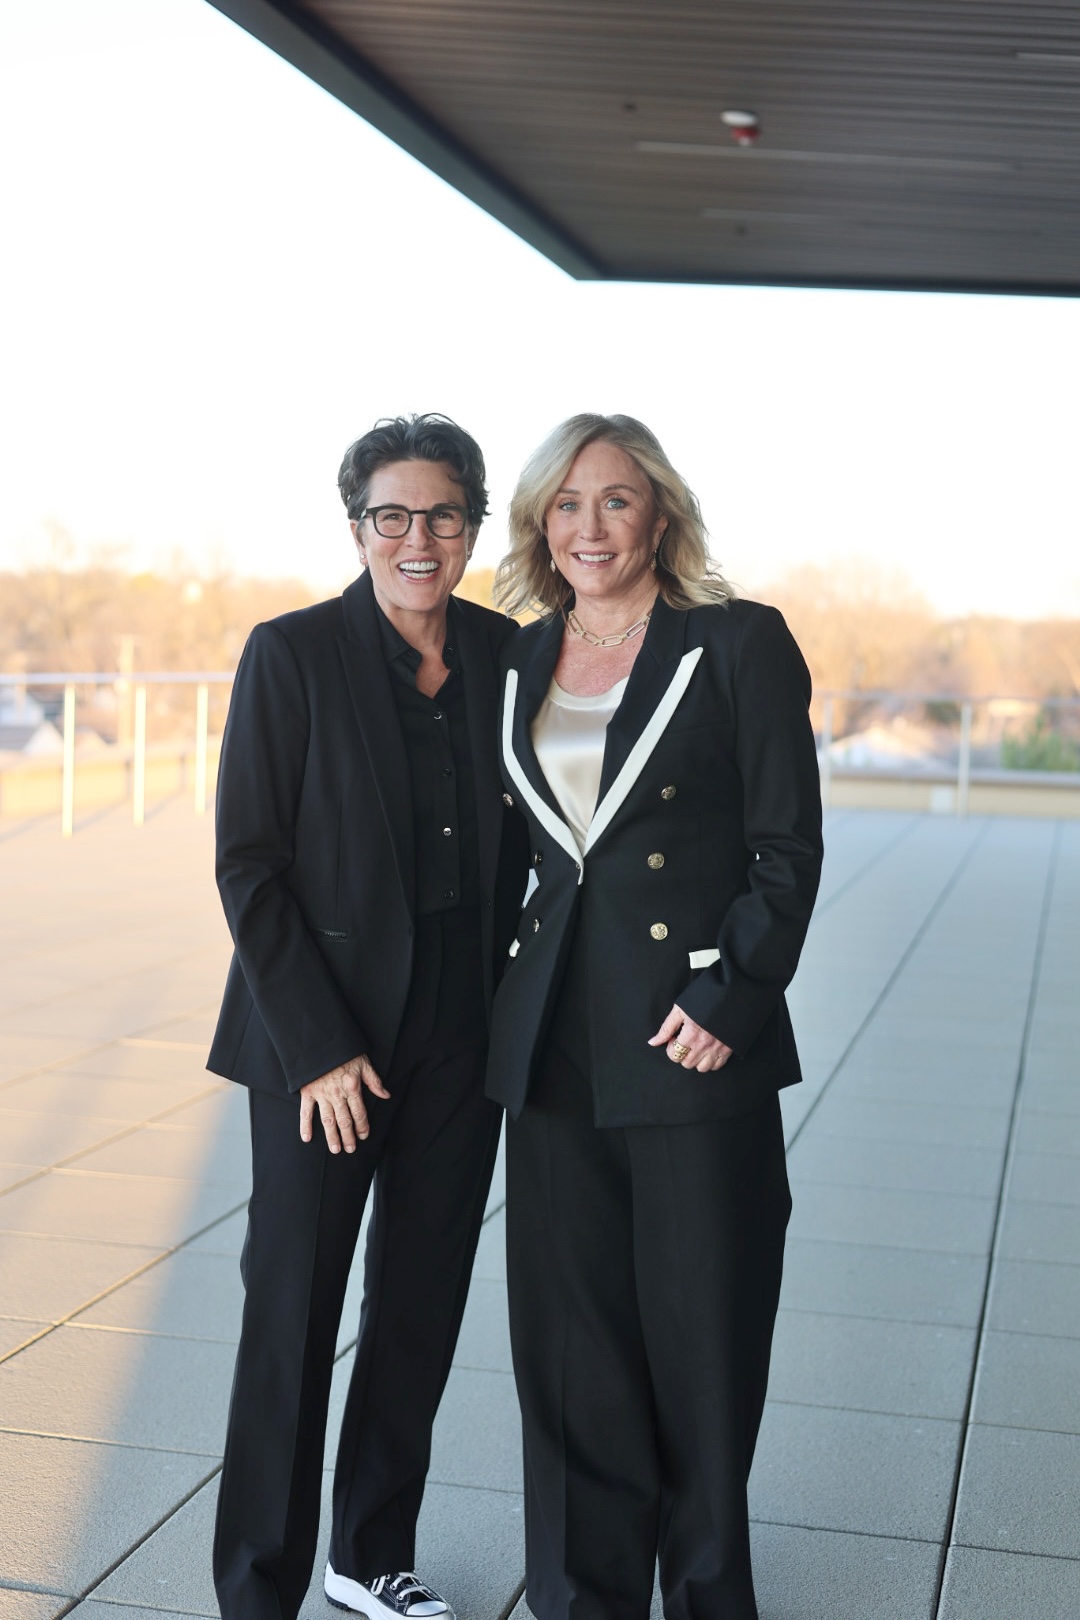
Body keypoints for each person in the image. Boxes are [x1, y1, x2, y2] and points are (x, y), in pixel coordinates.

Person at [485, 414, 823, 1620]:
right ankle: (585, 1596)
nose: (591, 527)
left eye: (616, 500)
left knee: (704, 1336)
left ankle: (709, 1594)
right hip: (554, 1044)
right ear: (541, 525)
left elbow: (787, 848)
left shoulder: (736, 644)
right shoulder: (518, 659)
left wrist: (735, 994)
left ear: (660, 514)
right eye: (567, 505)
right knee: (572, 1348)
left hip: (690, 1037)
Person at [208, 414, 527, 1620]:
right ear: (357, 530)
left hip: (463, 1030)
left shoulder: (509, 656)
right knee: (292, 1311)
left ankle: (368, 1553)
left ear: (472, 528)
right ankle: (258, 1586)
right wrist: (320, 1050)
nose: (417, 537)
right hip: (324, 1041)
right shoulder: (290, 655)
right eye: (392, 515)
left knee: (420, 1301)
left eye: (442, 513)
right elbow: (249, 866)